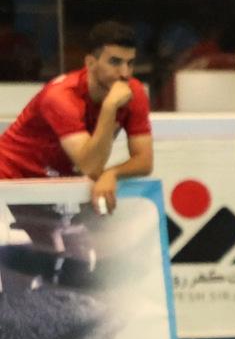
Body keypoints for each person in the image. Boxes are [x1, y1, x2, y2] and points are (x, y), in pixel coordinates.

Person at [0, 22, 153, 211]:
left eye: (130, 63)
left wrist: (111, 173)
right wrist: (109, 108)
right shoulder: (60, 97)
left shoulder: (134, 92)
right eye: (115, 62)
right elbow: (90, 167)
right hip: (8, 179)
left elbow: (144, 161)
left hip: (52, 188)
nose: (124, 73)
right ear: (90, 63)